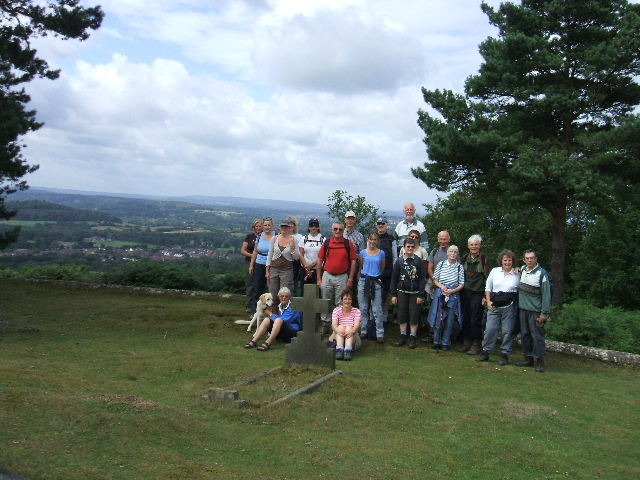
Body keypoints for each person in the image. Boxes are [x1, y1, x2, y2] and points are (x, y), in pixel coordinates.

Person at [476, 250, 519, 365]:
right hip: (494, 305)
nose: (507, 262)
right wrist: (488, 301)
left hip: (509, 306)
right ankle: (486, 352)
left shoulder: (517, 273)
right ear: (501, 261)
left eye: (510, 260)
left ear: (513, 261)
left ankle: (505, 354)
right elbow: (488, 287)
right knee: (490, 329)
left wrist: (519, 269)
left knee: (507, 331)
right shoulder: (495, 271)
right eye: (505, 260)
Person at [316, 222, 358, 333]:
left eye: (340, 229)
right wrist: (319, 279)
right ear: (332, 230)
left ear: (343, 230)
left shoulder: (348, 244)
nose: (338, 231)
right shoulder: (327, 243)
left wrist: (350, 279)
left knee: (341, 302)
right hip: (327, 275)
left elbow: (354, 261)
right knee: (326, 300)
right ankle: (325, 324)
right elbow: (320, 259)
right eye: (335, 229)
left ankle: (340, 325)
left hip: (342, 276)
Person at [516, 250, 552, 372]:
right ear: (524, 260)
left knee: (537, 336)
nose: (530, 260)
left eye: (532, 258)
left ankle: (540, 361)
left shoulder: (542, 274)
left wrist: (544, 313)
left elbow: (546, 295)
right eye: (527, 258)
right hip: (523, 310)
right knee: (525, 335)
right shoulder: (522, 269)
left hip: (535, 311)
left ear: (536, 259)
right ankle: (528, 358)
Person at [391, 238, 427, 349]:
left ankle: (412, 336)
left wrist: (421, 295)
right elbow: (394, 278)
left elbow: (422, 279)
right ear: (404, 247)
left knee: (414, 314)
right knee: (401, 313)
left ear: (414, 247)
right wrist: (393, 294)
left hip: (415, 292)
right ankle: (402, 335)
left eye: (412, 247)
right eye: (408, 246)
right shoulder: (399, 261)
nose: (410, 249)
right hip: (401, 291)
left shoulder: (418, 261)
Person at [458, 234, 491, 355]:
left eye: (476, 244)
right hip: (465, 292)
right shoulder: (464, 258)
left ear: (480, 245)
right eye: (471, 244)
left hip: (478, 294)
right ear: (468, 246)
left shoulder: (484, 260)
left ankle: (476, 344)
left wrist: (486, 297)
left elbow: (489, 279)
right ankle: (467, 342)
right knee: (465, 318)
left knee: (475, 319)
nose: (474, 246)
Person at [243, 287, 302, 351]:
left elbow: (284, 320)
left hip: (292, 334)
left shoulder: (294, 307)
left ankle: (267, 343)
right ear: (279, 297)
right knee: (266, 320)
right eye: (282, 296)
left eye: (286, 296)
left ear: (290, 297)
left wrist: (270, 313)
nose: (284, 298)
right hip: (281, 331)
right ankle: (253, 341)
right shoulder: (280, 306)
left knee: (278, 320)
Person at [430, 245, 465, 350]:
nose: (453, 254)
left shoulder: (460, 267)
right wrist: (441, 286)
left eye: (455, 252)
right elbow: (435, 279)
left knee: (449, 319)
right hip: (440, 293)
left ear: (457, 254)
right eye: (451, 252)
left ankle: (446, 342)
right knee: (438, 317)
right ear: (448, 253)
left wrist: (452, 291)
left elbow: (462, 284)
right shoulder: (441, 264)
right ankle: (436, 341)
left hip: (453, 295)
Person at [358, 232, 386, 343]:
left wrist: (377, 276)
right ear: (368, 240)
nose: (373, 242)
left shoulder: (382, 253)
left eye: (375, 240)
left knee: (377, 309)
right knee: (363, 308)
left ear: (378, 241)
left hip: (376, 282)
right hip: (364, 281)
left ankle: (379, 333)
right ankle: (363, 330)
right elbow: (361, 266)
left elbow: (382, 267)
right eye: (371, 239)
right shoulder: (363, 253)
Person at [266, 218, 300, 301]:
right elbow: (270, 254)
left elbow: (296, 257)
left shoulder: (293, 239)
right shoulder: (274, 239)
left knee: (285, 294)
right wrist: (267, 270)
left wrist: (292, 248)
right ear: (280, 228)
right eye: (282, 226)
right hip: (274, 269)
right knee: (273, 294)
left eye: (286, 227)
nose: (284, 228)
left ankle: (284, 313)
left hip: (287, 270)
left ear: (289, 228)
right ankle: (274, 313)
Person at [374, 217, 397, 330]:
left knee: (385, 298)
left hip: (387, 273)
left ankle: (383, 320)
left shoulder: (391, 239)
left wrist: (394, 273)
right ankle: (373, 320)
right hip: (374, 273)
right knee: (374, 297)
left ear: (386, 225)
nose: (381, 225)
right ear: (376, 225)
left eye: (382, 223)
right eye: (379, 223)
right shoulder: (373, 238)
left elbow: (395, 257)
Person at [248, 217, 274, 316]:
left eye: (269, 225)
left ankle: (270, 312)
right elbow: (255, 251)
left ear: (272, 226)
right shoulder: (260, 236)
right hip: (259, 264)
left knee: (270, 289)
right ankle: (255, 312)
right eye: (265, 225)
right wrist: (251, 265)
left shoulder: (276, 236)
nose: (267, 227)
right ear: (263, 226)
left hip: (271, 265)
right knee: (257, 288)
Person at [332, 290, 361, 361]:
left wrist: (351, 331)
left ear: (352, 300)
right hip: (339, 335)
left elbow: (356, 326)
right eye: (345, 299)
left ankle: (348, 351)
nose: (347, 301)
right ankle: (339, 350)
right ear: (342, 300)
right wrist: (338, 331)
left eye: (349, 299)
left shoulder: (356, 311)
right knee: (341, 327)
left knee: (349, 328)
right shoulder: (336, 310)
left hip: (352, 336)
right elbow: (334, 325)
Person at [240, 218, 263, 313]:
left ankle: (260, 305)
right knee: (250, 284)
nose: (258, 228)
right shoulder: (249, 236)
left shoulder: (265, 237)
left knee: (261, 284)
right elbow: (242, 250)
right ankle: (249, 306)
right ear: (253, 227)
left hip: (261, 263)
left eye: (259, 226)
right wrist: (252, 256)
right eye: (256, 226)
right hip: (249, 262)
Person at [299, 218, 325, 288]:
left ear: (318, 227)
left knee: (317, 292)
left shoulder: (323, 239)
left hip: (318, 270)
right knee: (303, 291)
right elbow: (301, 254)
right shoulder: (304, 238)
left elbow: (323, 255)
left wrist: (312, 265)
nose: (314, 227)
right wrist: (307, 267)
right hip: (305, 269)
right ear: (309, 227)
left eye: (316, 225)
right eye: (311, 225)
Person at [287, 216, 305, 296]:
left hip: (296, 262)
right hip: (285, 262)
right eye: (289, 224)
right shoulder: (282, 236)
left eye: (292, 224)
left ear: (295, 226)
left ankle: (294, 299)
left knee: (294, 282)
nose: (290, 226)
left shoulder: (299, 237)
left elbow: (301, 252)